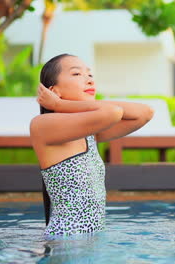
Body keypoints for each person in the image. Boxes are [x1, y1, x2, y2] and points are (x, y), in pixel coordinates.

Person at [30, 53, 154, 237]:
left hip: (93, 242)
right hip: (66, 242)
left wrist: (60, 103)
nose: (88, 80)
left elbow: (145, 113)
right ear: (54, 90)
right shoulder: (42, 125)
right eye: (77, 74)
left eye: (89, 74)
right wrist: (59, 105)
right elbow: (112, 112)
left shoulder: (90, 133)